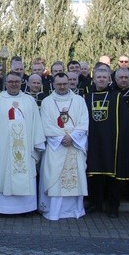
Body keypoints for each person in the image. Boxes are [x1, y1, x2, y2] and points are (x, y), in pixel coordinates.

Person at [0, 72, 45, 215]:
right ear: (6, 83)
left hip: (25, 148)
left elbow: (37, 125)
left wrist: (38, 143)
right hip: (2, 149)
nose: (14, 84)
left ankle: (26, 208)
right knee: (2, 172)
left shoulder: (29, 101)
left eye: (17, 81)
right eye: (11, 81)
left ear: (22, 82)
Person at [84, 67, 129, 218]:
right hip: (93, 142)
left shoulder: (117, 97)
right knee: (95, 175)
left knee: (112, 177)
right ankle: (96, 203)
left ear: (109, 80)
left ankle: (114, 207)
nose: (101, 79)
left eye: (104, 77)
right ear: (94, 79)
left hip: (112, 143)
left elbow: (125, 122)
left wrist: (121, 141)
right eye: (98, 77)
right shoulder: (87, 97)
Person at [38, 73, 89, 221]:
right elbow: (45, 123)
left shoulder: (79, 100)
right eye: (59, 84)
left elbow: (84, 122)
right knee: (54, 177)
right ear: (53, 84)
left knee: (75, 178)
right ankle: (54, 211)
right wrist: (61, 138)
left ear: (69, 83)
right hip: (56, 147)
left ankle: (75, 210)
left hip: (74, 145)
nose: (62, 87)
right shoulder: (47, 102)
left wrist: (72, 137)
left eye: (65, 84)